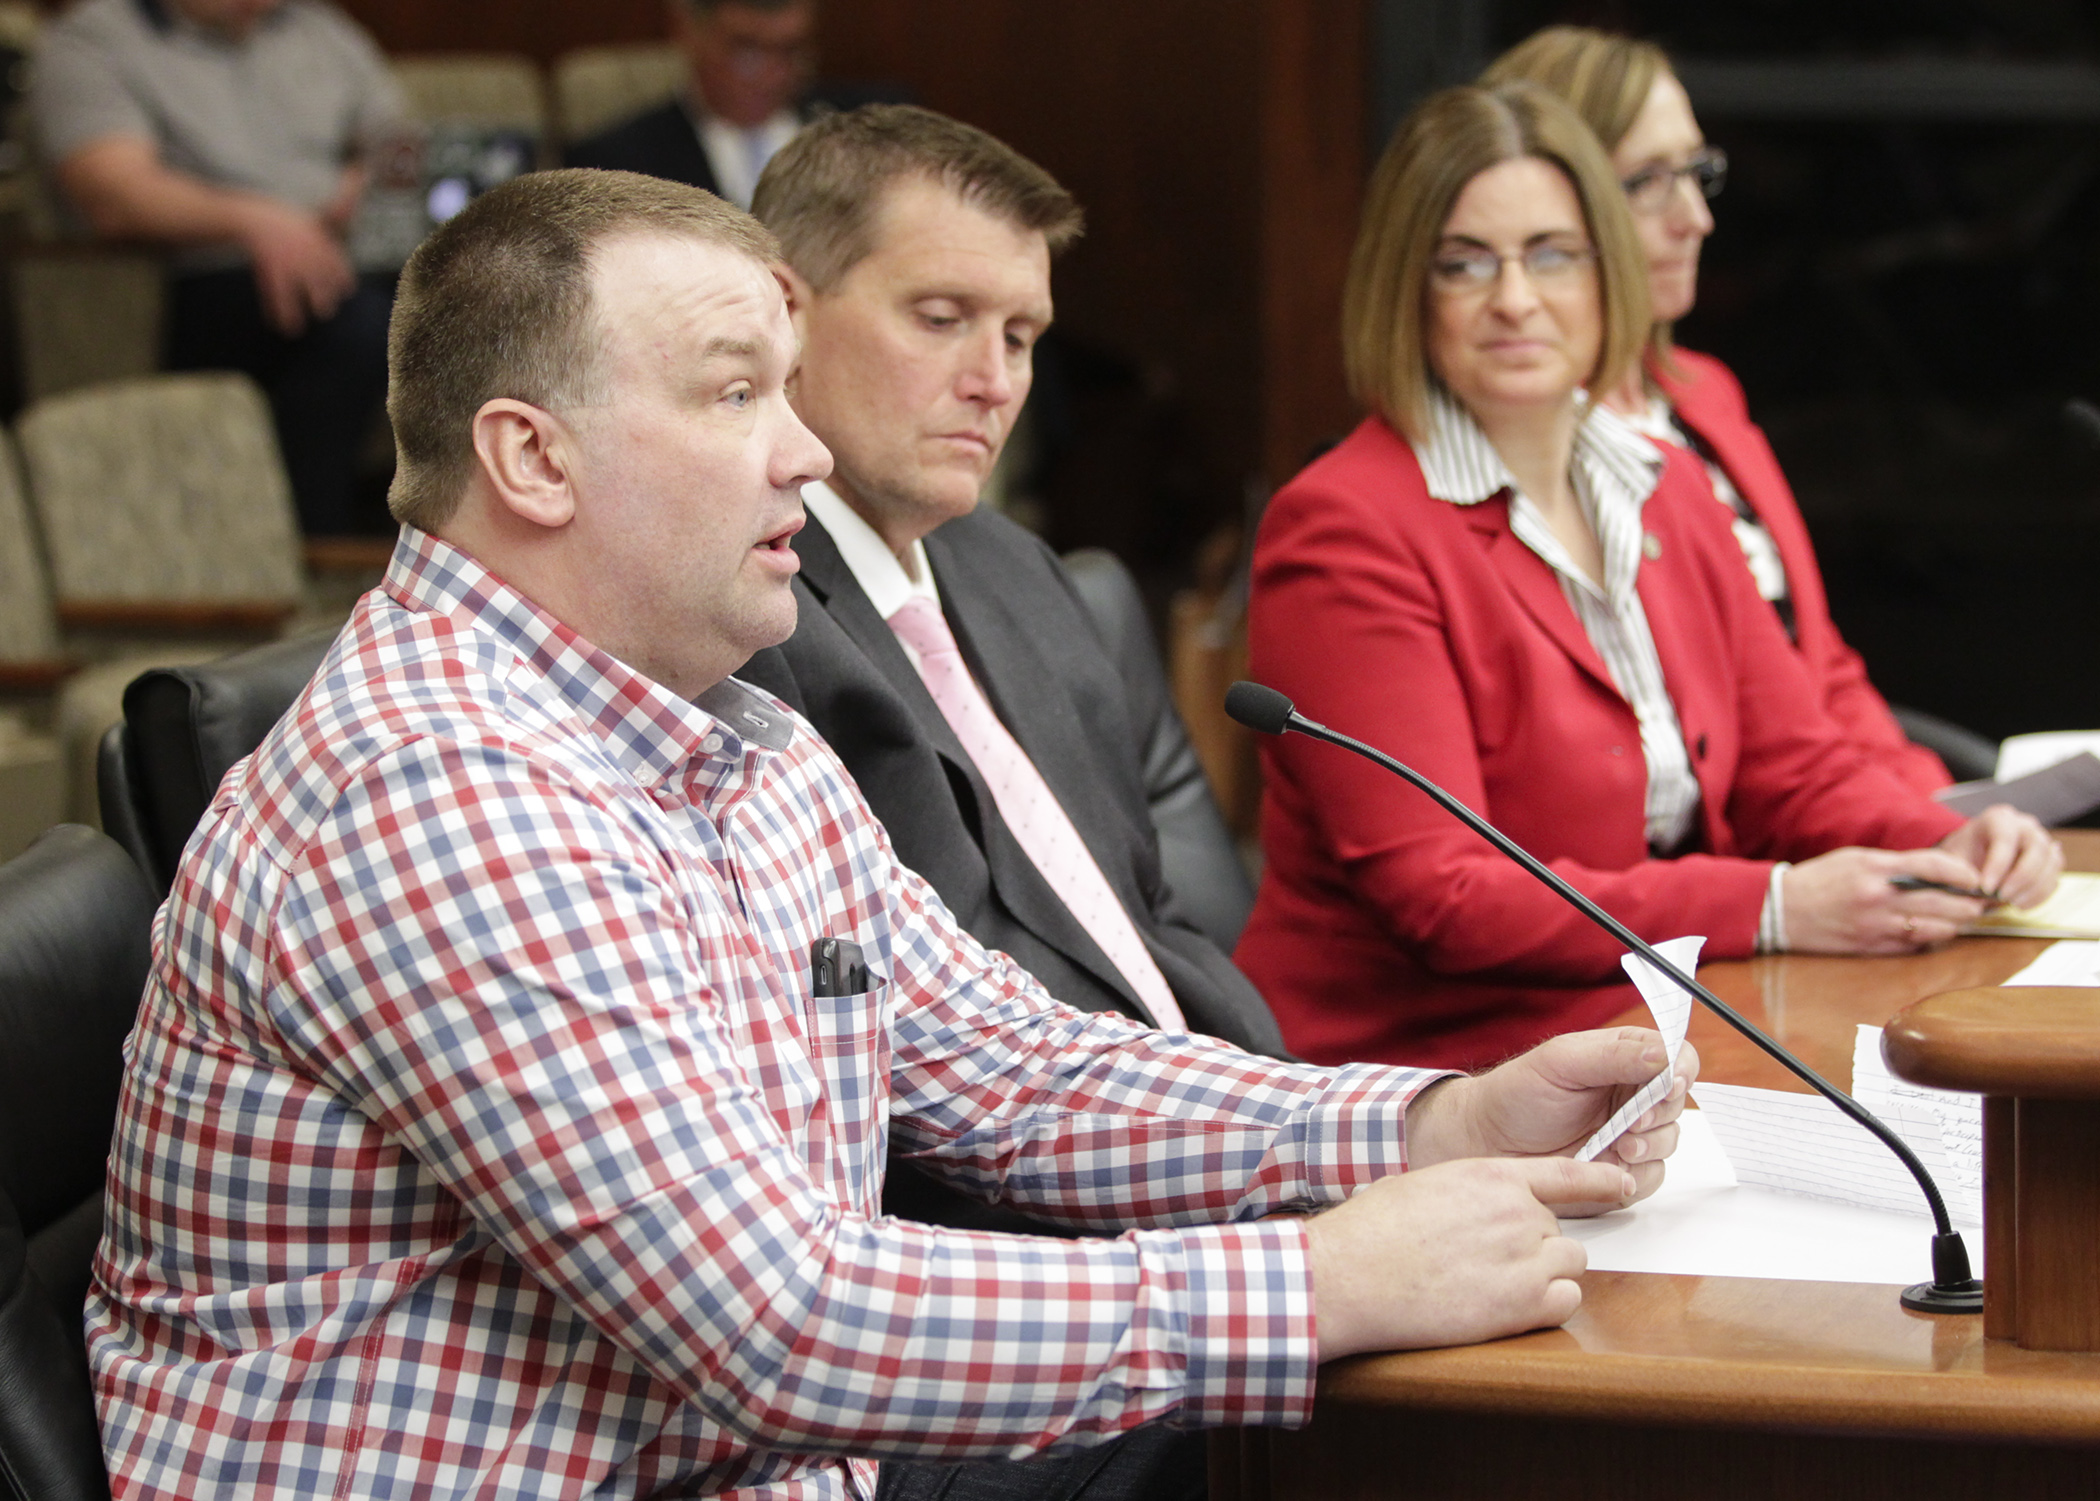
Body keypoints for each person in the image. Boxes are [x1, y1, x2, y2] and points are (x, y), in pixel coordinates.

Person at [88, 166, 1697, 1501]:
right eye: (735, 393)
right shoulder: (435, 793)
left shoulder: (732, 726)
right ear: (531, 456)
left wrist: (1427, 1127)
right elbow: (779, 1318)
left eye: (788, 391)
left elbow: (1013, 1069)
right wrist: (1320, 1282)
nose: (801, 449)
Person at [1236, 83, 2060, 1073]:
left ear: (1607, 275)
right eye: (1463, 264)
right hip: (1429, 1067)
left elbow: (1791, 764)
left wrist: (1946, 848)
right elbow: (1448, 895)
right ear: (1404, 291)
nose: (1514, 299)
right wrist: (1773, 903)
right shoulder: (1346, 528)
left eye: (1553, 254)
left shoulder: (1661, 482)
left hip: (1650, 1013)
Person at [737, 106, 1278, 1074]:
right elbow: (914, 1044)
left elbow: (1143, 919)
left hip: (1221, 1117)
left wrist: (1305, 1111)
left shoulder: (1016, 569)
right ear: (786, 311)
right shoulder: (742, 611)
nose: (994, 380)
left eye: (1022, 337)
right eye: (942, 320)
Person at [1482, 28, 1953, 795]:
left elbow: (1818, 668)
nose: (1695, 218)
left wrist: (1938, 808)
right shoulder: (1525, 444)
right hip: (1719, 859)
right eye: (1648, 182)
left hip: (1825, 821)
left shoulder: (1703, 392)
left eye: (1698, 173)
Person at [32, 0, 404, 536]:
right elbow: (114, 193)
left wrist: (366, 186)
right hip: (200, 275)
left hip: (348, 251)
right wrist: (258, 222)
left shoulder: (319, 29)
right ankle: (311, 550)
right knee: (359, 326)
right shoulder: (92, 40)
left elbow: (402, 141)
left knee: (480, 305)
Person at [566, 0, 831, 210]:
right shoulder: (615, 162)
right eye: (747, 51)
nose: (773, 75)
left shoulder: (853, 128)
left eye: (791, 50)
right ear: (689, 31)